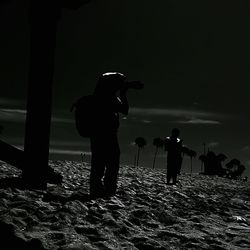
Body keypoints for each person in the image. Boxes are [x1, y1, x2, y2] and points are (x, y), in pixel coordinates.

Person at [89, 72, 143, 198]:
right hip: (107, 135)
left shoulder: (100, 95)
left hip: (99, 136)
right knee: (110, 164)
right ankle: (107, 191)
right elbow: (125, 109)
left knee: (98, 163)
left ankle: (97, 190)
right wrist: (124, 92)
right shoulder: (107, 97)